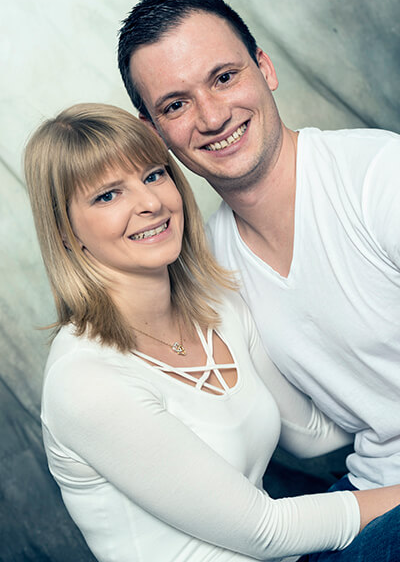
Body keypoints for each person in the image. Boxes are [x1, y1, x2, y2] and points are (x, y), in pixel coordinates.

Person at [24, 103, 400, 562]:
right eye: (107, 196)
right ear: (66, 231)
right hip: (281, 542)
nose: (149, 203)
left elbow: (312, 435)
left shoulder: (218, 305)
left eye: (153, 175)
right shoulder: (85, 382)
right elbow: (267, 530)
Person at [117, 0, 400, 561]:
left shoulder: (378, 178)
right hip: (370, 489)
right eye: (176, 105)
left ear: (264, 68)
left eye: (224, 78)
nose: (212, 116)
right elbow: (304, 432)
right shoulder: (209, 271)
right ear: (153, 132)